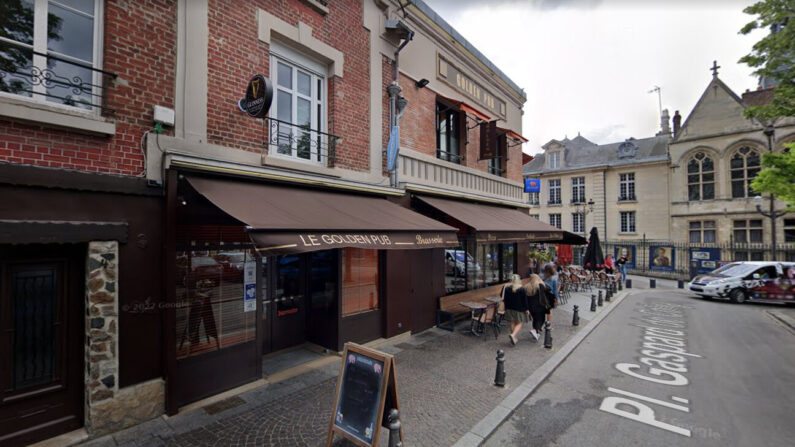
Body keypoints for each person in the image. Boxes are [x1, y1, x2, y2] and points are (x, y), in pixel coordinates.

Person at [502, 274, 529, 346]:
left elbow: (504, 298)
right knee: (520, 322)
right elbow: (524, 301)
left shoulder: (507, 288)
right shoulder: (521, 289)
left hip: (509, 308)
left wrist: (505, 308)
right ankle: (513, 335)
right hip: (519, 309)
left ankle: (514, 338)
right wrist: (527, 309)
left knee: (512, 322)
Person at [524, 274, 550, 341]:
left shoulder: (526, 287)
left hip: (531, 306)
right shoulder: (540, 286)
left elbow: (525, 298)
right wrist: (542, 282)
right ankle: (535, 330)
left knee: (535, 319)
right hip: (540, 306)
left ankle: (536, 332)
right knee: (541, 319)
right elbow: (548, 290)